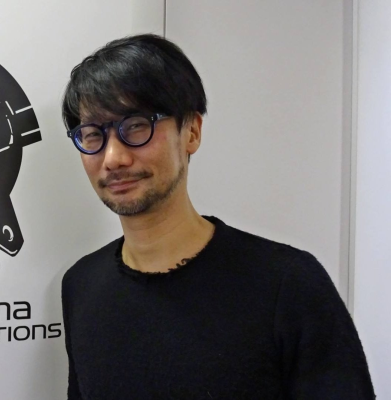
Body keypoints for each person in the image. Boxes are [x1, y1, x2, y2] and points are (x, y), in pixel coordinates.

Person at [60, 34, 375, 399]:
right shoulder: (81, 285)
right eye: (92, 134)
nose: (113, 158)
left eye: (136, 126)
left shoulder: (288, 285)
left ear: (191, 132)